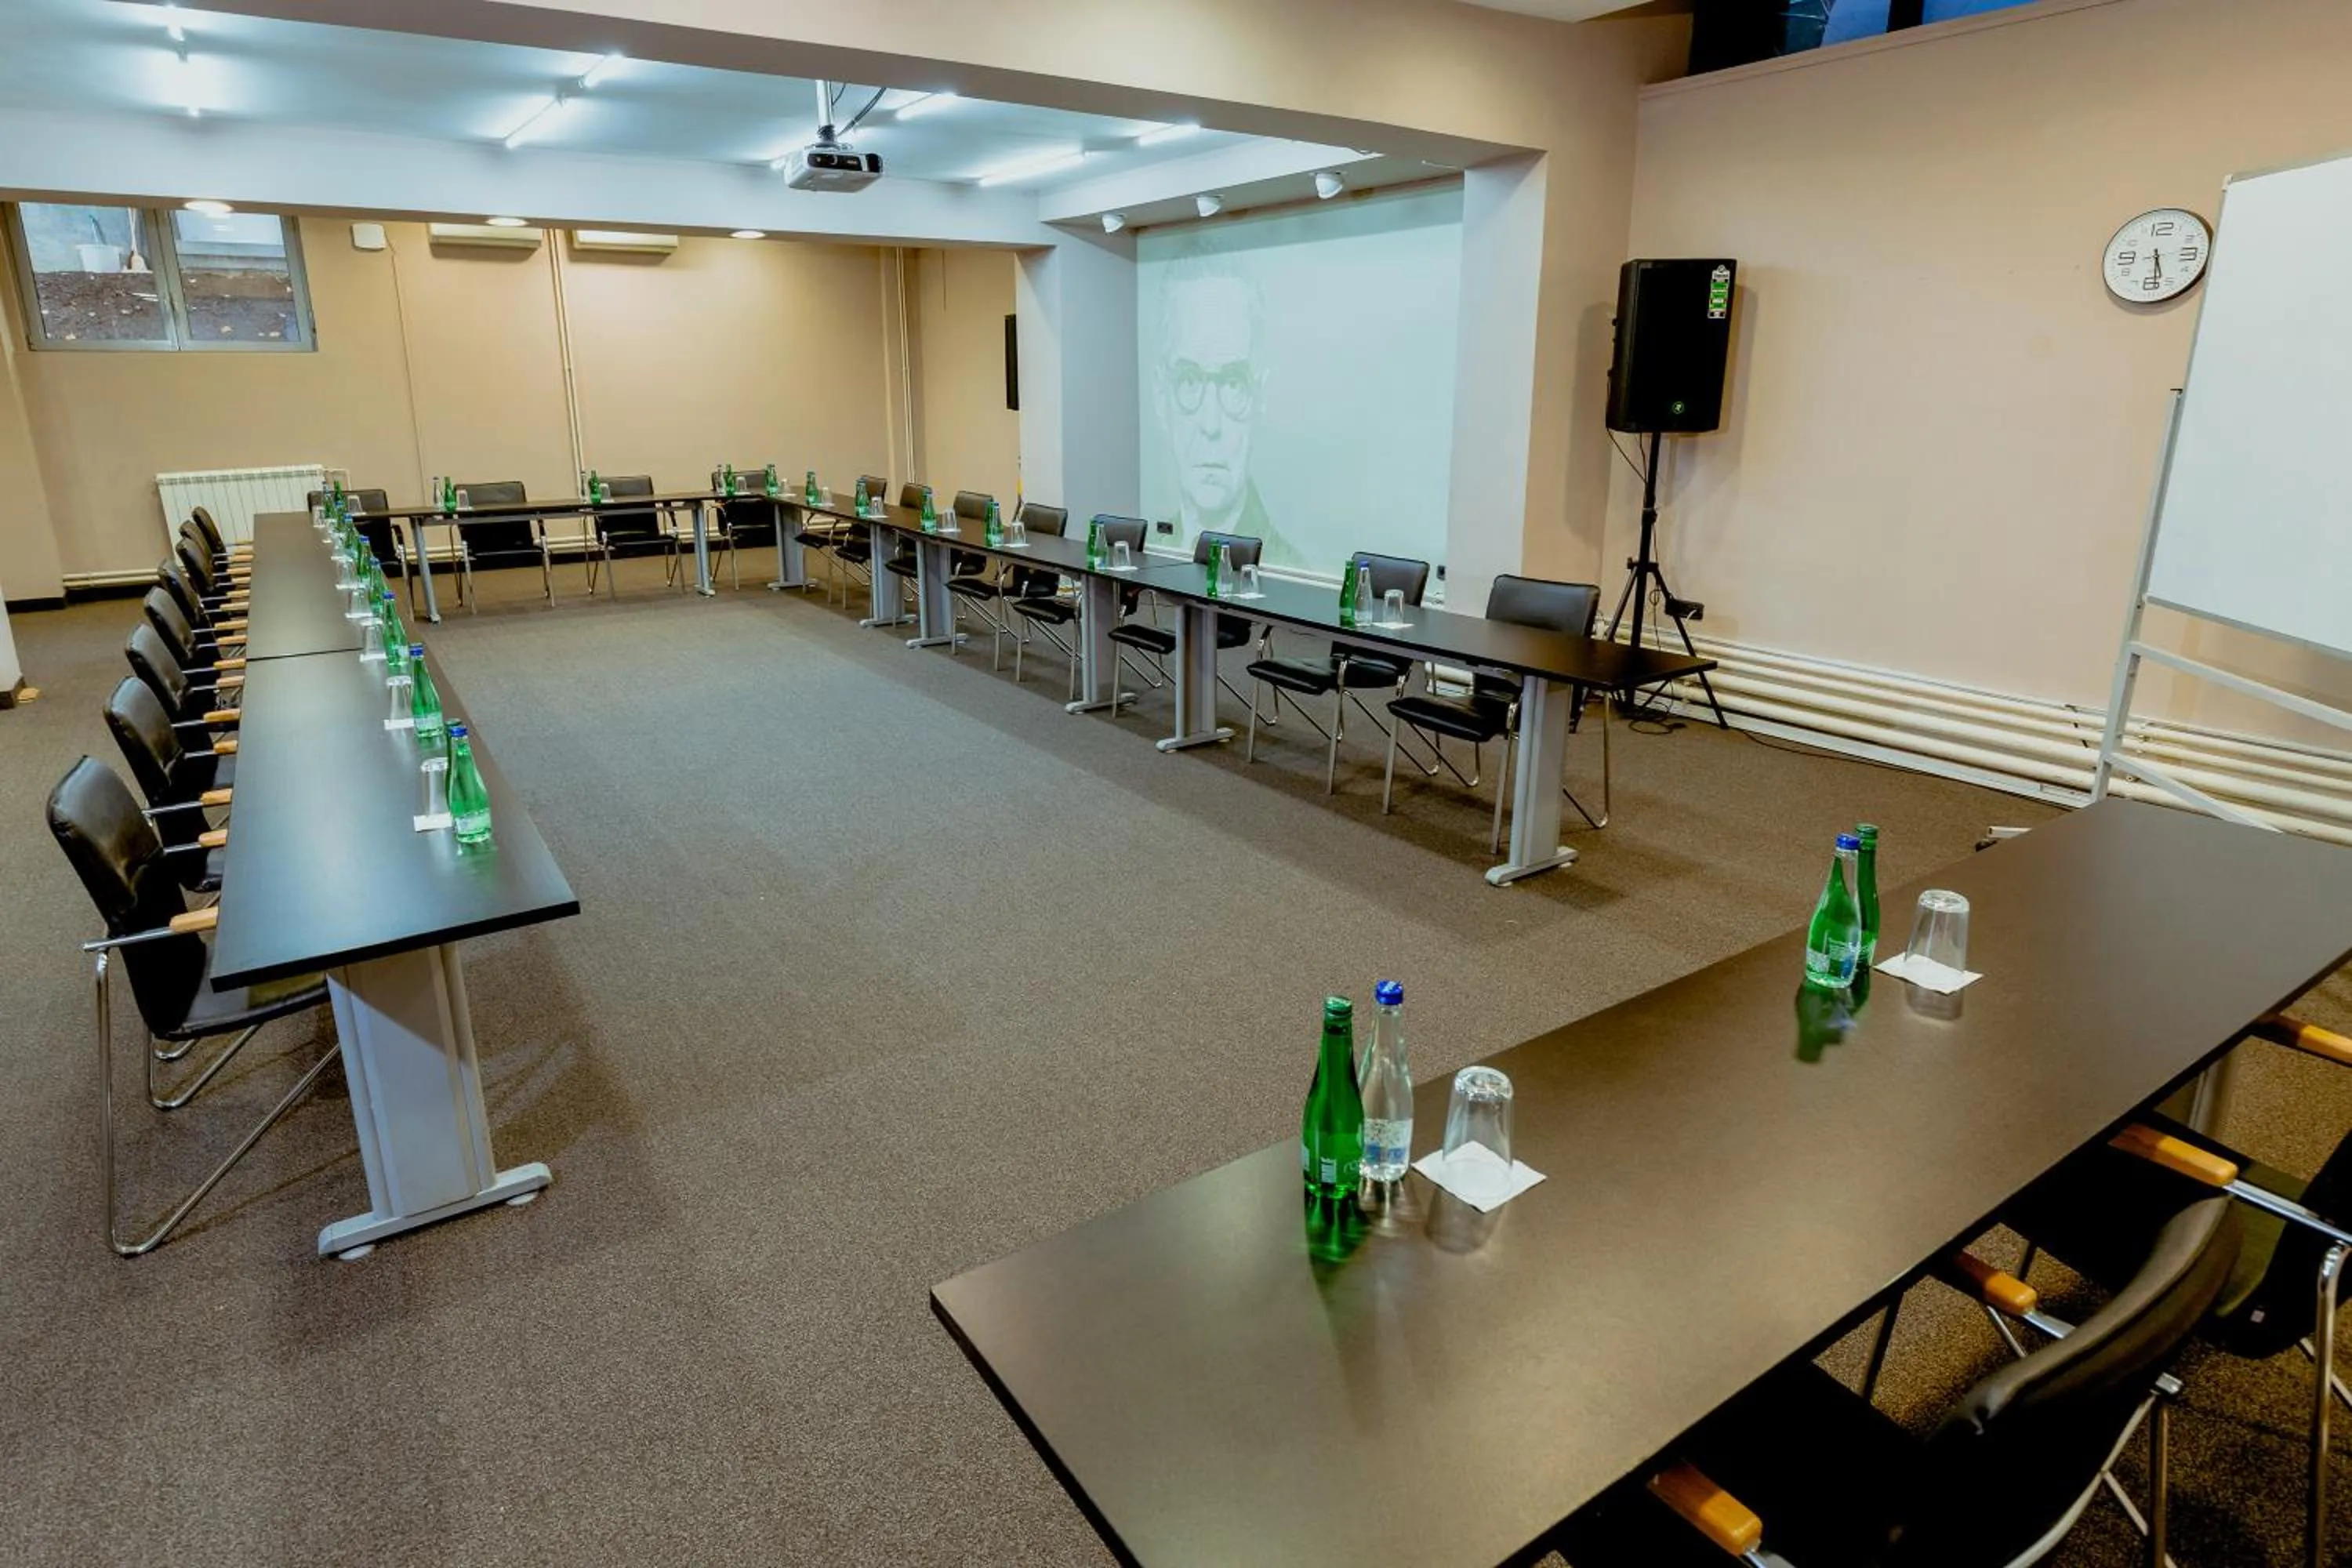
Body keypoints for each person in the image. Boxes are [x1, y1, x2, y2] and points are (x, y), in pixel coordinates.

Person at [1152, 252, 1296, 565]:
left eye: (1233, 384)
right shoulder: (1156, 545)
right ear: (1160, 396)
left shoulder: (1288, 568)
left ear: (1261, 397)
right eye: (1189, 381)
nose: (1211, 424)